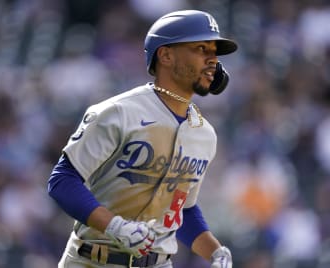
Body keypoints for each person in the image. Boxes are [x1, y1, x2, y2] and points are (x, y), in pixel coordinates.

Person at [48, 9, 237, 268]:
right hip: (93, 260)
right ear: (166, 55)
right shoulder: (118, 112)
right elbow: (62, 181)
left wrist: (215, 251)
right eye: (201, 48)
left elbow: (180, 209)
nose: (212, 60)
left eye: (214, 52)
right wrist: (113, 225)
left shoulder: (204, 135)